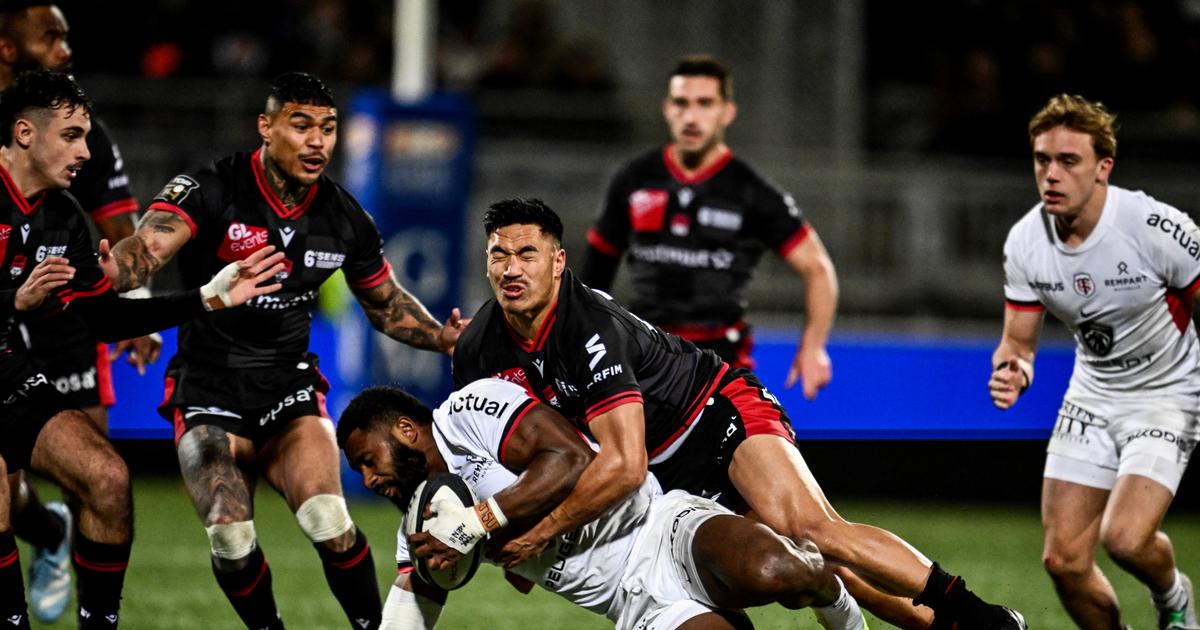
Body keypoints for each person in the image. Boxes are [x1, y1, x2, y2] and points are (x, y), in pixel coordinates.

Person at [453, 197, 1027, 630]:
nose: (511, 268)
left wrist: (541, 533)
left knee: (813, 531)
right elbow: (503, 449)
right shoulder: (480, 347)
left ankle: (981, 619)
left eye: (527, 253)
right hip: (667, 478)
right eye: (498, 254)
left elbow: (623, 467)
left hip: (713, 414)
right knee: (832, 567)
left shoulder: (586, 329)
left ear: (557, 262)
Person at [103, 72, 466, 630]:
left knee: (328, 518)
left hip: (287, 388)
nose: (317, 141)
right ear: (266, 128)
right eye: (301, 126)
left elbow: (385, 302)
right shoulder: (213, 188)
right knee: (229, 533)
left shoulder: (345, 218)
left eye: (328, 128)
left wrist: (441, 336)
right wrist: (117, 269)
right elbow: (148, 246)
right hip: (209, 385)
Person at [0, 69, 284, 629]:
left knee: (107, 478)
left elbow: (104, 318)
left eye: (87, 136)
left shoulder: (62, 217)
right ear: (25, 134)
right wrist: (14, 301)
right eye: (72, 135)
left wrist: (204, 298)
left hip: (6, 372)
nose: (86, 150)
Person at [337, 378, 870, 630]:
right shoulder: (422, 522)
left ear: (406, 430)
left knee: (777, 570)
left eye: (368, 458)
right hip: (636, 605)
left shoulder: (469, 412)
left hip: (662, 527)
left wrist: (482, 520)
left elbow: (567, 457)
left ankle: (835, 598)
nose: (366, 477)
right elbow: (411, 605)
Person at [989, 93, 1199, 630]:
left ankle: (1173, 596)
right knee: (1063, 561)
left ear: (1104, 167)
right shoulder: (1025, 242)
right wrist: (1016, 369)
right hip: (1093, 393)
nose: (1051, 175)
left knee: (1126, 539)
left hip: (1166, 395)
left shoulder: (1153, 227)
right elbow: (1019, 342)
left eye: (1068, 161)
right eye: (1042, 160)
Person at [0, 3, 157, 622]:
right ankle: (46, 536)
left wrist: (137, 305)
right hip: (10, 308)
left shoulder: (76, 129)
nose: (66, 48)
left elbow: (120, 227)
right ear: (8, 49)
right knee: (7, 492)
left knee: (95, 472)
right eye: (51, 36)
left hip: (62, 308)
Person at [579, 54, 836, 397]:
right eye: (681, 103)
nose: (691, 116)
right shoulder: (634, 178)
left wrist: (813, 346)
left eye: (704, 103)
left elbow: (818, 269)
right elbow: (594, 272)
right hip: (643, 353)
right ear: (666, 108)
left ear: (727, 112)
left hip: (722, 362)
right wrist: (580, 339)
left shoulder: (751, 192)